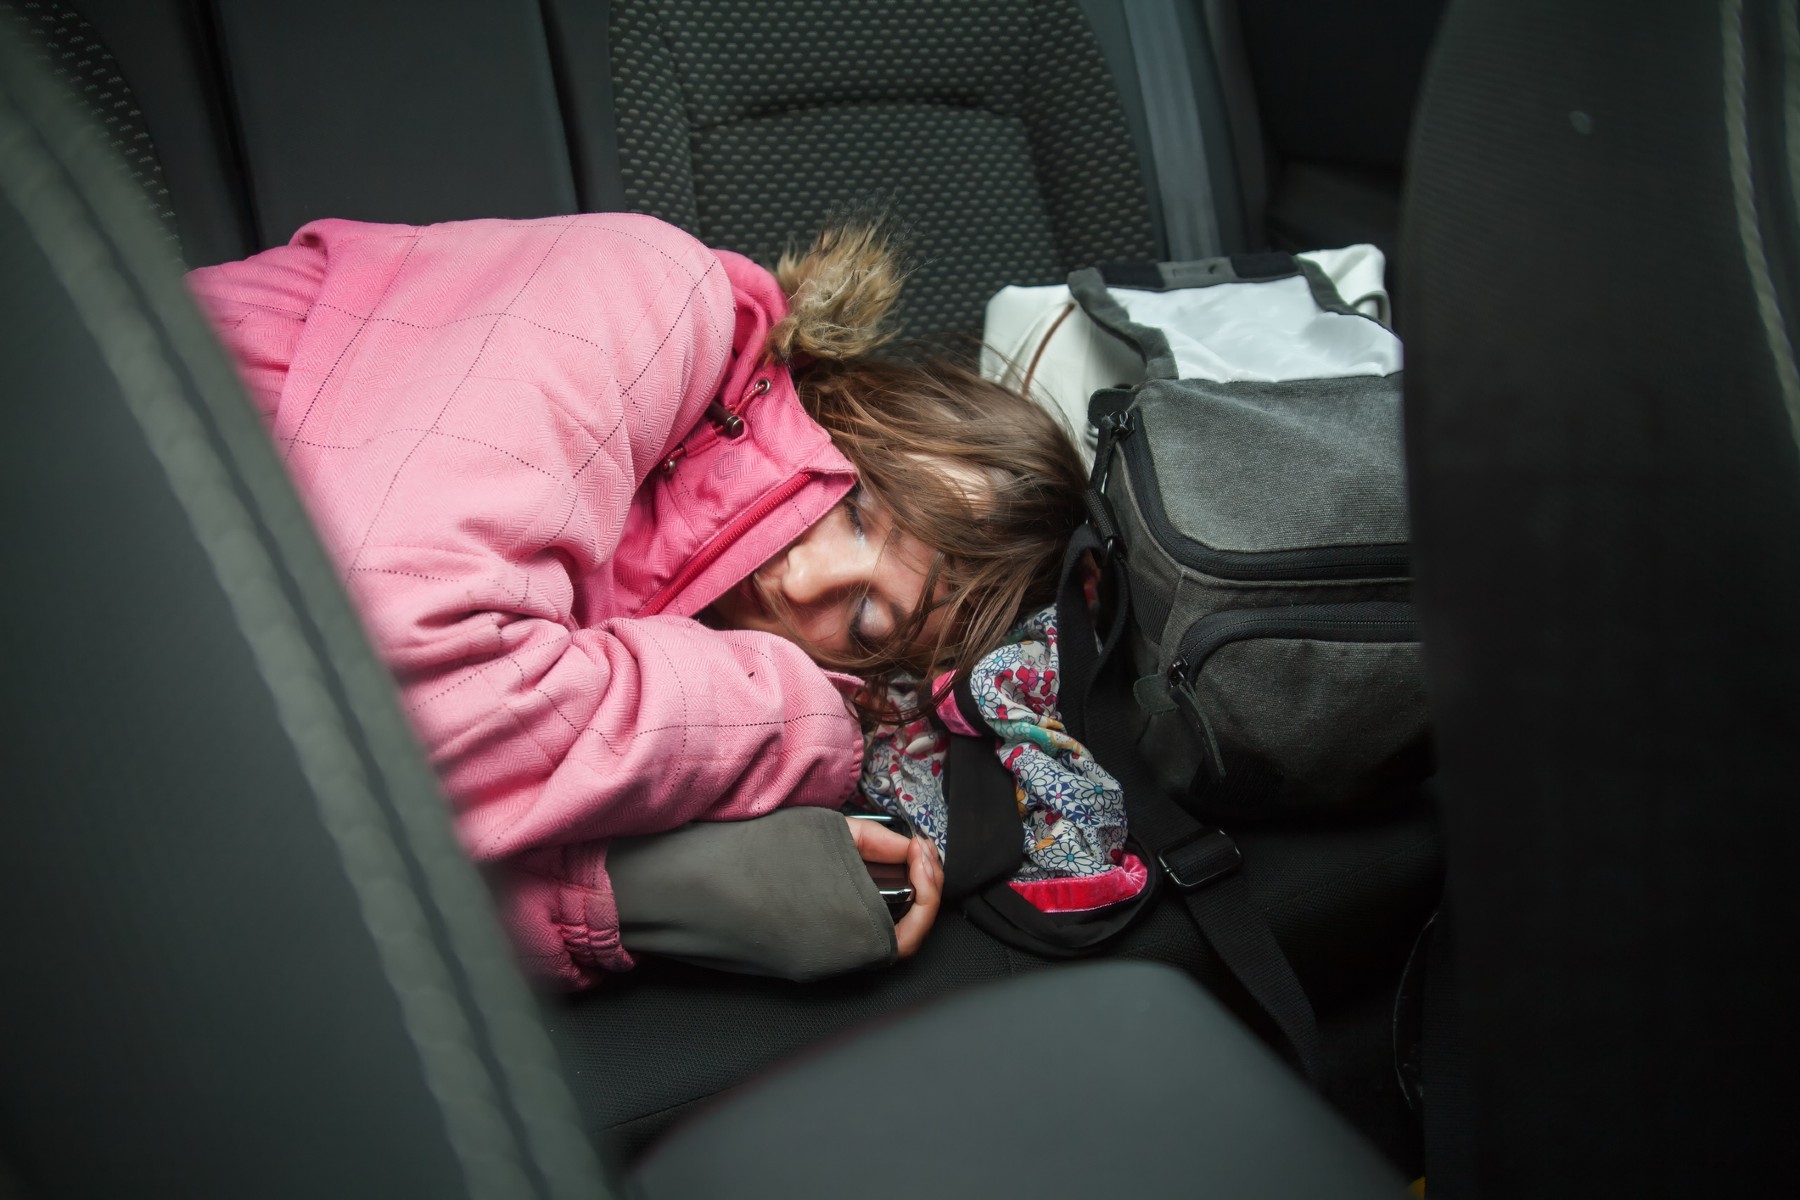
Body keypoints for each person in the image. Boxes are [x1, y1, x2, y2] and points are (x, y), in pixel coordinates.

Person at [187, 212, 1087, 988]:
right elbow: (396, 697)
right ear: (856, 402)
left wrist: (610, 898)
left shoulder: (668, 668)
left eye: (865, 620)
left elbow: (321, 871)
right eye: (855, 510)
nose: (803, 581)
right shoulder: (653, 292)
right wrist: (803, 726)